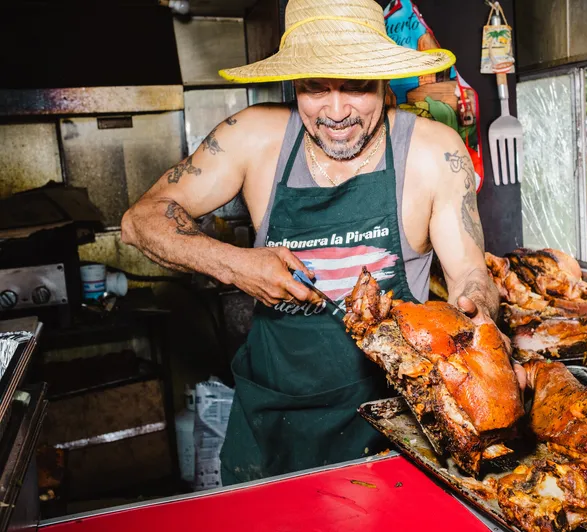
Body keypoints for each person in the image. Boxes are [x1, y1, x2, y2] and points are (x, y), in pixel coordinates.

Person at [121, 0, 522, 486]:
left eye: (354, 85)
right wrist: (234, 264)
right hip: (272, 423)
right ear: (293, 84)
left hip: (396, 429)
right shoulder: (253, 137)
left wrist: (477, 317)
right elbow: (140, 220)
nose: (336, 112)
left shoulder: (433, 151)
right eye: (314, 87)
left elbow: (470, 275)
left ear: (382, 80)